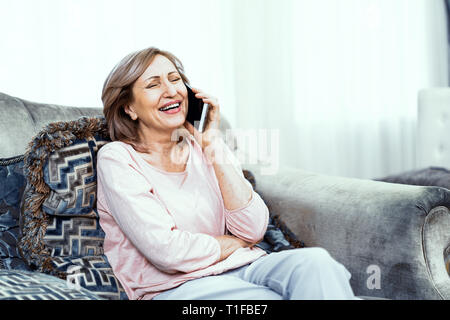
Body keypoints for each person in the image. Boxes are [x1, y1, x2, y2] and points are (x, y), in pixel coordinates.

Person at [96, 46, 357, 300]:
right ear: (128, 107)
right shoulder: (118, 158)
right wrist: (235, 243)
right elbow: (168, 252)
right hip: (175, 287)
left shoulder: (203, 146)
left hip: (242, 266)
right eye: (153, 85)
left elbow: (253, 228)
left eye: (175, 79)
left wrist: (212, 143)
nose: (171, 90)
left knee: (316, 264)